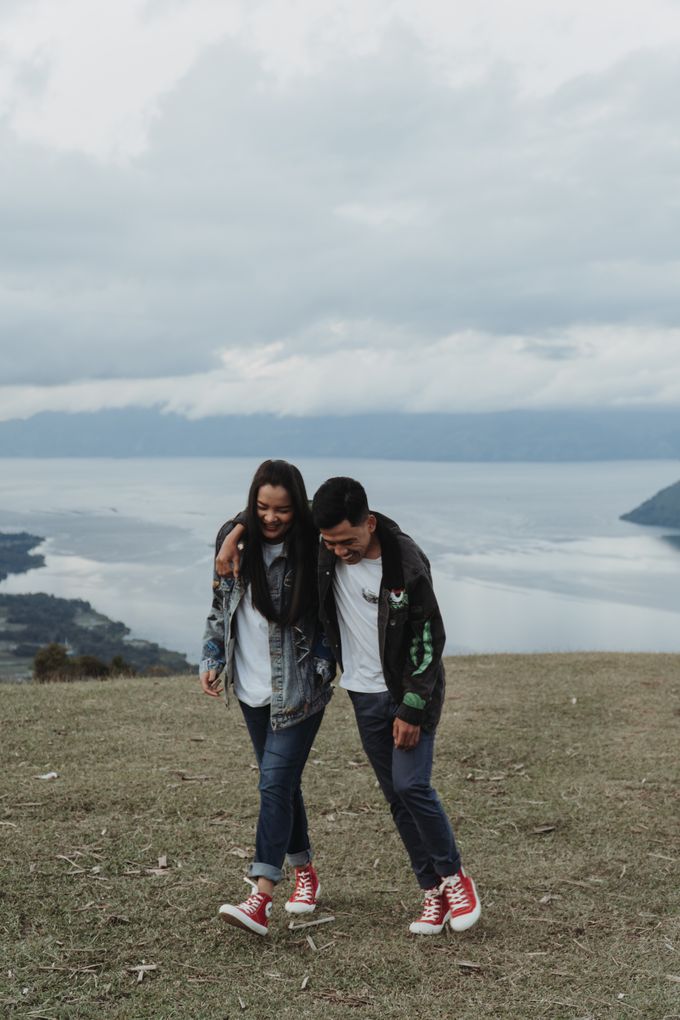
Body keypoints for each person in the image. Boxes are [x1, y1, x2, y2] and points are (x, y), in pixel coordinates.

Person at [217, 476, 481, 936]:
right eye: (331, 543)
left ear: (370, 523)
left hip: (405, 695)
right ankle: (432, 892)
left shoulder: (406, 563)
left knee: (412, 785)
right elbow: (280, 509)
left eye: (349, 541)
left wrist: (413, 708)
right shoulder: (324, 544)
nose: (340, 552)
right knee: (396, 798)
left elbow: (428, 640)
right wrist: (236, 534)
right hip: (361, 692)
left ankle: (456, 878)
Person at [199, 460, 334, 937]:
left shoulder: (315, 550)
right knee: (283, 784)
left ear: (298, 508)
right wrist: (211, 657)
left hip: (299, 692)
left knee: (273, 785)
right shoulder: (234, 545)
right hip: (251, 689)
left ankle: (259, 898)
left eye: (282, 509)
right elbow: (221, 607)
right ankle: (307, 874)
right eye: (261, 508)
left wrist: (321, 669)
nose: (271, 518)